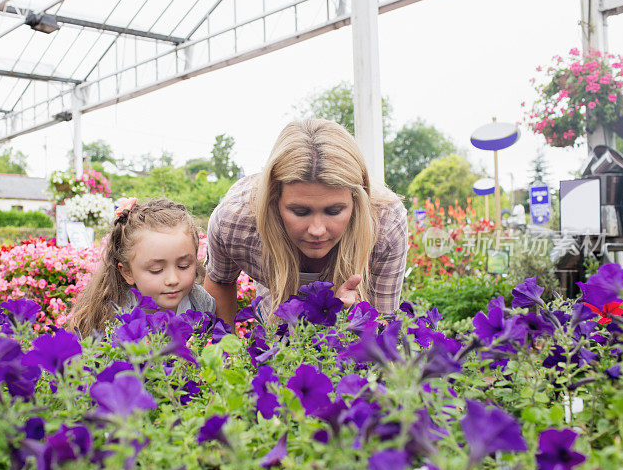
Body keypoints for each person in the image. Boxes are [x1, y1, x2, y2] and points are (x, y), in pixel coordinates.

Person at [204, 118, 408, 326]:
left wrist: (350, 320)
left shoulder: (386, 222)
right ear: (274, 200)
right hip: (274, 319)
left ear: (357, 198)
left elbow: (383, 322)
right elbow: (220, 280)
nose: (317, 230)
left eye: (334, 210)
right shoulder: (236, 220)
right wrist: (227, 355)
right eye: (300, 211)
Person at [69, 198, 215, 337]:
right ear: (128, 272)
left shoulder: (201, 302)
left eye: (183, 266)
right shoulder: (114, 315)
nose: (173, 280)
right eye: (156, 270)